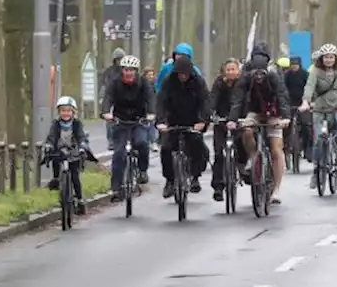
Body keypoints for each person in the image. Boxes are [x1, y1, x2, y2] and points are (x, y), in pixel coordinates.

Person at [228, 44, 293, 202]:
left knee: (276, 150)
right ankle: (253, 156)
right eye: (255, 74)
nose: (258, 77)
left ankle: (276, 190)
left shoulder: (274, 76)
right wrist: (232, 119)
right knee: (247, 131)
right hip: (255, 111)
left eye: (261, 74)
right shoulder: (245, 77)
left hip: (274, 112)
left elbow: (282, 96)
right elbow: (238, 99)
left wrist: (285, 118)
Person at [155, 55, 210, 197]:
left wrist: (202, 121)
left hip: (193, 121)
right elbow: (161, 101)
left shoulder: (198, 82)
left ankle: (195, 177)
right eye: (180, 74)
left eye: (185, 74)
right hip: (173, 121)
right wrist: (161, 121)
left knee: (197, 145)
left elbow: (205, 102)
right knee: (166, 148)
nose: (182, 76)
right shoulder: (169, 82)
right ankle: (170, 181)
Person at [100, 54, 152, 202]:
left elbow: (150, 98)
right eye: (126, 70)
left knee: (142, 143)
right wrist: (105, 112)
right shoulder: (115, 83)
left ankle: (142, 170)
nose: (128, 73)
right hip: (120, 121)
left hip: (138, 120)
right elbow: (108, 98)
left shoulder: (142, 84)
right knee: (119, 153)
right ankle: (116, 188)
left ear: (136, 71)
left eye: (132, 70)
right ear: (122, 70)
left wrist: (152, 113)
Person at [306, 43, 337, 189]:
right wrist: (306, 101)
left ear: (335, 58)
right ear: (321, 58)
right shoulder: (316, 71)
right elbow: (309, 86)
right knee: (319, 139)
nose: (328, 60)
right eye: (326, 57)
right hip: (320, 109)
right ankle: (316, 171)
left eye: (331, 57)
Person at [45, 96, 93, 215]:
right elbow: (51, 137)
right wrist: (49, 145)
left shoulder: (76, 124)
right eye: (63, 111)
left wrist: (82, 146)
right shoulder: (55, 124)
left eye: (68, 111)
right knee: (55, 161)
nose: (65, 113)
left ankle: (80, 199)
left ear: (73, 112)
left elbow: (81, 136)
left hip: (74, 152)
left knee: (75, 177)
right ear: (59, 112)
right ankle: (56, 179)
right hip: (60, 151)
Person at [208, 58, 246, 202]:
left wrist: (243, 117)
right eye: (228, 69)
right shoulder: (219, 84)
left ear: (238, 71)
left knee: (242, 145)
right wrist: (211, 114)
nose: (230, 72)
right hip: (222, 121)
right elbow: (212, 99)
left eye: (233, 69)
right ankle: (218, 186)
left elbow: (244, 101)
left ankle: (243, 168)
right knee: (219, 154)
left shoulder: (243, 84)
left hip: (239, 121)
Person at [282, 55, 311, 160]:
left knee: (305, 125)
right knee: (286, 126)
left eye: (296, 65)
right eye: (292, 65)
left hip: (303, 103)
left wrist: (308, 102)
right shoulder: (287, 75)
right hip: (290, 103)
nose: (294, 67)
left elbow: (309, 88)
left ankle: (307, 148)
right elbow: (283, 88)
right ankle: (286, 146)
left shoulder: (305, 74)